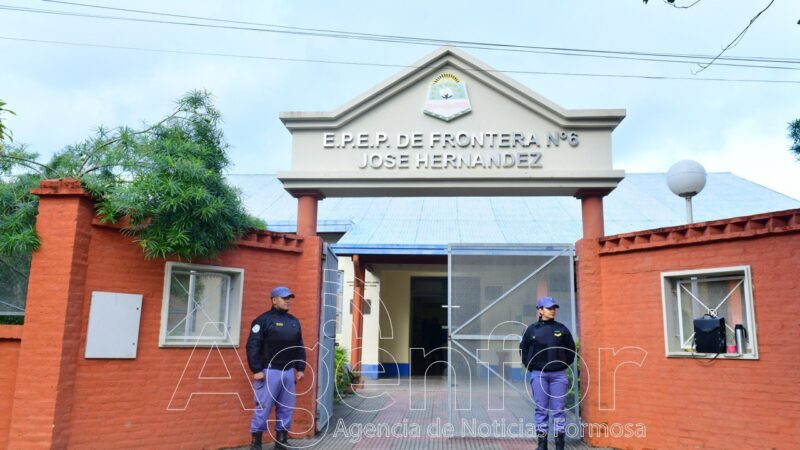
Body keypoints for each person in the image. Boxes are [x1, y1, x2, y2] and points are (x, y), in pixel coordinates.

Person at [246, 286, 306, 450]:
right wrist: (256, 369)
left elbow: (299, 346)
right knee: (263, 407)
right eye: (284, 298)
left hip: (287, 372)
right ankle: (256, 442)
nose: (288, 301)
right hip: (268, 371)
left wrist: (300, 368)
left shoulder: (294, 321)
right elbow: (253, 346)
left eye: (289, 298)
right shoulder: (262, 321)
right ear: (273, 300)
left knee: (286, 407)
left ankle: (281, 440)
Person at [519, 296, 576, 450]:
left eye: (554, 308)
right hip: (539, 375)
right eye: (549, 308)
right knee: (541, 409)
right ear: (540, 310)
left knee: (559, 410)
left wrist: (562, 364)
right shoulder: (532, 329)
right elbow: (523, 349)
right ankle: (542, 445)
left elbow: (571, 350)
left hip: (558, 375)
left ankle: (559, 446)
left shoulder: (562, 329)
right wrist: (531, 366)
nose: (553, 311)